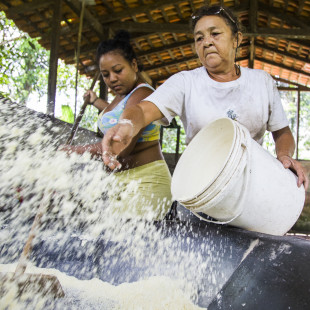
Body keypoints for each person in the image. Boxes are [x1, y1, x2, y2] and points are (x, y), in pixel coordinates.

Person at [100, 5, 309, 189]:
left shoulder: (261, 81)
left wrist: (284, 156)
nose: (207, 42)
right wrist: (127, 124)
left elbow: (282, 131)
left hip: (250, 185)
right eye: (199, 38)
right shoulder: (185, 82)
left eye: (215, 34)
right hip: (200, 185)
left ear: (237, 39)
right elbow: (142, 110)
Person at [60, 30, 172, 220]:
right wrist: (95, 101)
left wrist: (73, 151)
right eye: (105, 74)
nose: (111, 79)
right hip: (120, 184)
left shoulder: (143, 93)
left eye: (118, 70)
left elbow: (121, 147)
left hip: (146, 182)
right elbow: (115, 116)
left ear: (134, 65)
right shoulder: (120, 97)